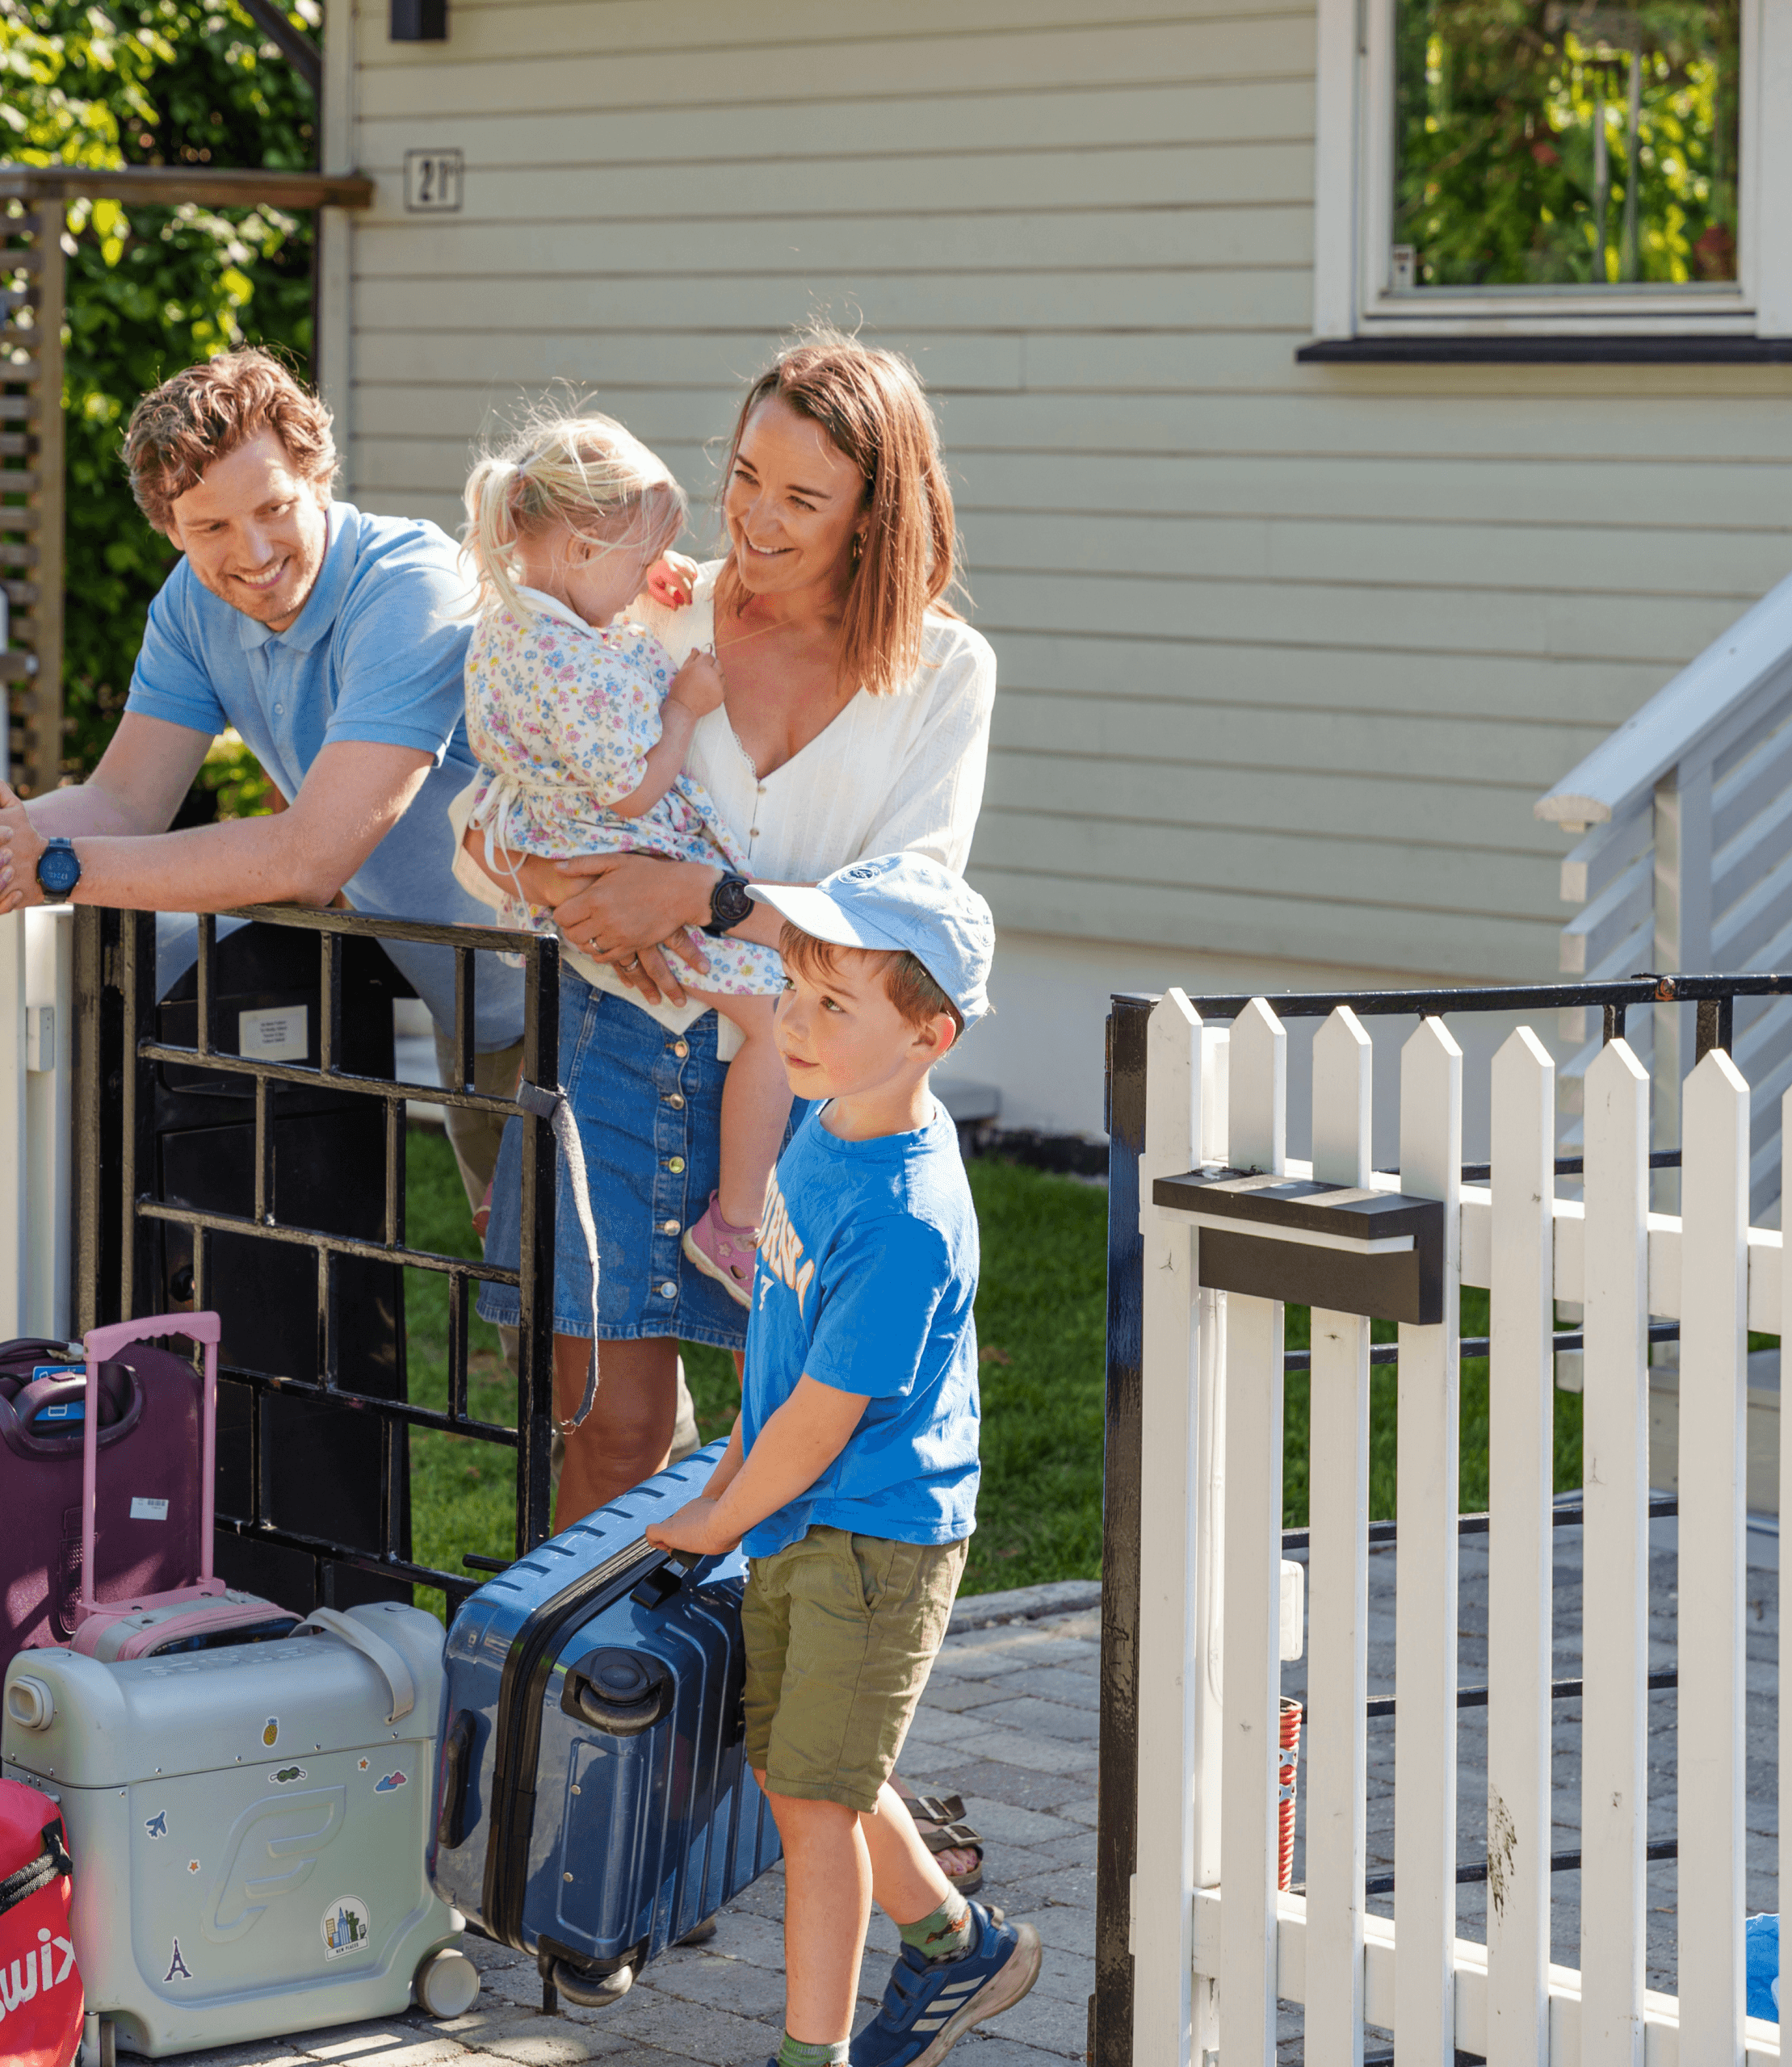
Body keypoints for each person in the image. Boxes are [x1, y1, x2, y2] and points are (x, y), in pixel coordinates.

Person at [460, 329, 993, 1528]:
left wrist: (697, 900)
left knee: (807, 1443)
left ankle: (761, 1713)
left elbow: (912, 915)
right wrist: (562, 888)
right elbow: (480, 807)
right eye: (746, 475)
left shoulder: (946, 672)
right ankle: (597, 1704)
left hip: (814, 1084)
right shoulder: (645, 606)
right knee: (611, 1430)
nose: (753, 518)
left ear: (878, 512)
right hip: (613, 1047)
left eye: (803, 497)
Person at [0, 348, 525, 1218]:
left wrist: (53, 865)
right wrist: (4, 838)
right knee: (525, 1317)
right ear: (170, 527)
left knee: (612, 1331)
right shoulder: (193, 606)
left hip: (579, 994)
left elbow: (310, 856)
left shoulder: (411, 589)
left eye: (274, 508)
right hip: (474, 1009)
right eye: (210, 529)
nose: (252, 552)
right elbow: (125, 800)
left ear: (318, 476)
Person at [641, 853, 1034, 2067]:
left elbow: (824, 1413)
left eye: (832, 1006)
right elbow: (781, 1348)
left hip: (872, 1534)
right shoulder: (827, 1127)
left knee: (811, 1805)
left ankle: (810, 2057)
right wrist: (729, 1490)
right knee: (810, 1769)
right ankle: (956, 1946)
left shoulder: (906, 1214)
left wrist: (720, 1518)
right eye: (794, 990)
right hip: (798, 1513)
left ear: (929, 1034)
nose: (794, 1024)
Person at [451, 411, 789, 1303]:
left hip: (549, 856)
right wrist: (686, 704)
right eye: (639, 564)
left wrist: (642, 579)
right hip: (626, 864)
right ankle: (739, 1224)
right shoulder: (582, 671)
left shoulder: (509, 625)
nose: (652, 582)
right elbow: (633, 790)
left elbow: (586, 638)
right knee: (776, 1025)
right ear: (582, 546)